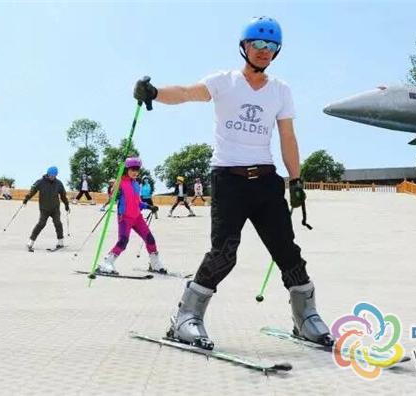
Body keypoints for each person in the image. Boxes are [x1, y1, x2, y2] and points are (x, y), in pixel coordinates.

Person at [133, 16, 333, 350]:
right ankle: (186, 318)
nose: (264, 51)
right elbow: (185, 93)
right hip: (229, 180)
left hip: (267, 181)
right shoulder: (223, 82)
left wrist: (296, 179)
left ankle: (306, 318)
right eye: (258, 44)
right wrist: (154, 92)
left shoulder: (281, 90)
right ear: (244, 46)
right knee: (224, 253)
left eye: (271, 47)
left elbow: (288, 137)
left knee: (287, 252)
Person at [98, 157, 166, 275]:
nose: (135, 172)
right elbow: (112, 195)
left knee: (150, 239)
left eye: (137, 169)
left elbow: (137, 202)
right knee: (123, 241)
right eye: (132, 169)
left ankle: (154, 263)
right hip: (125, 217)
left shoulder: (136, 184)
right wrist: (115, 191)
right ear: (127, 169)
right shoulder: (120, 182)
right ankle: (106, 263)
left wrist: (149, 207)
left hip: (137, 217)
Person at [23, 166, 70, 252]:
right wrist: (27, 198)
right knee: (41, 224)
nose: (52, 177)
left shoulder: (59, 183)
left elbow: (63, 195)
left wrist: (66, 204)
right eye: (51, 175)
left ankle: (60, 242)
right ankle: (31, 241)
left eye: (54, 175)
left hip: (55, 208)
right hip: (44, 208)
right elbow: (33, 190)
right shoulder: (40, 182)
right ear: (48, 174)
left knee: (58, 223)